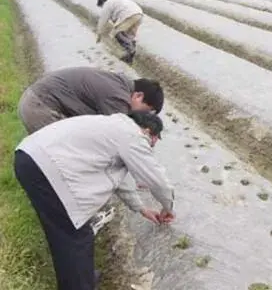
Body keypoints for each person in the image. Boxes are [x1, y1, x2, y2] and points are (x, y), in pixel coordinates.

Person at [14, 111, 175, 290]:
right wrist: (168, 207)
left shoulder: (114, 128)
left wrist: (141, 208)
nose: (152, 146)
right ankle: (81, 284)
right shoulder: (132, 135)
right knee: (76, 237)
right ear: (147, 131)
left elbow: (116, 179)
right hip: (45, 169)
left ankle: (81, 279)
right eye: (154, 140)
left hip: (30, 157)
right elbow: (157, 180)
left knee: (64, 234)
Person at [18, 66, 164, 135]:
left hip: (36, 101)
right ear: (138, 96)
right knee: (67, 154)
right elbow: (118, 134)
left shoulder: (119, 84)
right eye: (144, 110)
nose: (141, 115)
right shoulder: (117, 97)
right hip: (40, 107)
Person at [96, 0, 144, 64]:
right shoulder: (118, 0)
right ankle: (129, 58)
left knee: (116, 33)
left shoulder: (107, 4)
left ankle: (130, 49)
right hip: (139, 15)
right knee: (129, 35)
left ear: (103, 2)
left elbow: (103, 20)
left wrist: (99, 34)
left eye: (101, 7)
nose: (102, 8)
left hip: (129, 15)